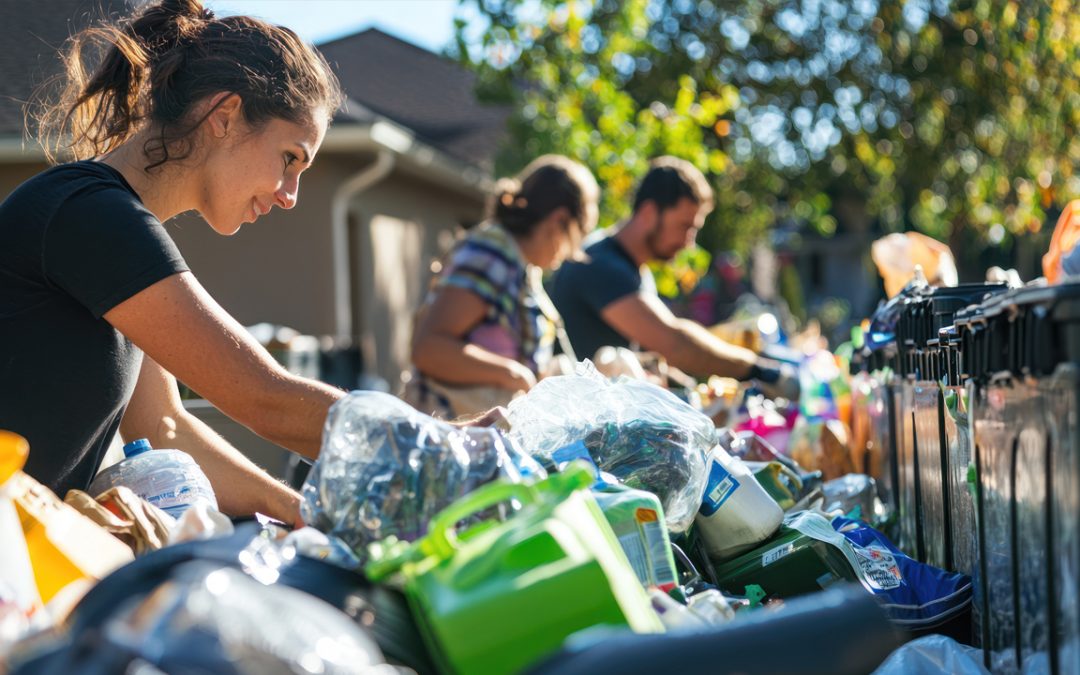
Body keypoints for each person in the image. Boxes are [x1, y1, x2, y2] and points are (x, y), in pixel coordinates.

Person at [0, 0, 349, 526]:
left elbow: (164, 426)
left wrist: (304, 515)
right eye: (290, 158)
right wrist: (432, 448)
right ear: (225, 116)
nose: (290, 196)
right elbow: (265, 398)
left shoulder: (113, 226)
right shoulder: (87, 214)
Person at [549, 156, 798, 395]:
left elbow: (646, 355)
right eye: (684, 227)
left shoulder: (634, 269)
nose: (689, 243)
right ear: (648, 212)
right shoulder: (599, 265)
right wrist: (762, 372)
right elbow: (675, 343)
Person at [404, 155, 599, 419]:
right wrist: (512, 374)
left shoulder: (520, 264)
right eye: (578, 235)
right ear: (558, 220)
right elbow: (429, 348)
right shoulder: (491, 255)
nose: (571, 253)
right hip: (450, 436)